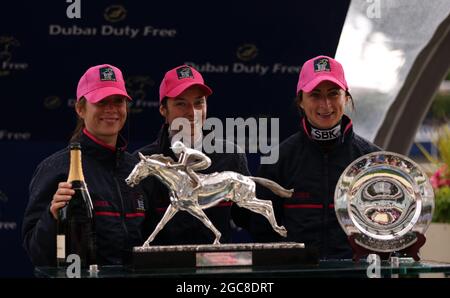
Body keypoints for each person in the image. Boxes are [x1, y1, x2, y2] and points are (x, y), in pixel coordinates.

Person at [250, 55, 381, 259]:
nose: (326, 104)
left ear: (346, 98)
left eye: (333, 94)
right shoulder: (279, 158)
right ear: (300, 101)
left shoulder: (372, 159)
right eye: (315, 95)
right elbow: (262, 228)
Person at [22, 64, 150, 266]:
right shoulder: (57, 168)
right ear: (80, 109)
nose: (111, 109)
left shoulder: (136, 168)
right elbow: (36, 253)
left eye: (118, 101)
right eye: (101, 101)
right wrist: (52, 216)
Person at [134, 64, 251, 245]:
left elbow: (253, 220)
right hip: (160, 270)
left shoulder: (231, 157)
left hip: (218, 270)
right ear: (163, 109)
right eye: (181, 103)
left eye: (199, 102)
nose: (191, 112)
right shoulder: (143, 160)